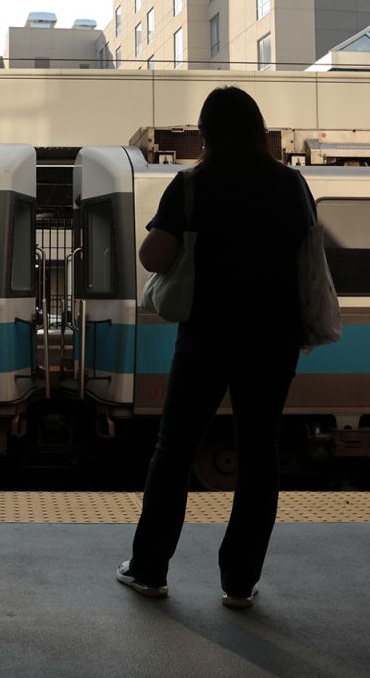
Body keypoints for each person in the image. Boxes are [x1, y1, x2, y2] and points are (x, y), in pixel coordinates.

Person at [116, 86, 313, 607]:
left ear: (205, 134)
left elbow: (155, 258)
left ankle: (150, 569)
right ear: (258, 129)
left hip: (208, 335)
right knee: (259, 453)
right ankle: (240, 582)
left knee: (175, 449)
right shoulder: (290, 184)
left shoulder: (191, 186)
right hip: (274, 337)